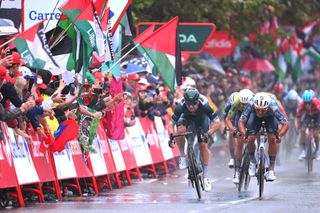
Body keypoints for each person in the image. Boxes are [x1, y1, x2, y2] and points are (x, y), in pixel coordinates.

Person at [168, 88, 220, 192]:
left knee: (203, 144)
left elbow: (217, 122)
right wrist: (171, 138)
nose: (191, 106)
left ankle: (205, 177)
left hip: (202, 120)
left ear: (198, 101)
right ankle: (183, 156)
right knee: (180, 130)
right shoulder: (181, 105)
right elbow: (171, 125)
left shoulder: (205, 104)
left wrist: (208, 134)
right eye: (188, 104)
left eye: (194, 104)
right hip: (186, 119)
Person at [239, 92, 289, 181]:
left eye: (262, 110)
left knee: (272, 139)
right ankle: (253, 161)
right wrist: (244, 134)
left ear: (267, 107)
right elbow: (241, 121)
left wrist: (280, 135)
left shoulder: (272, 107)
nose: (260, 112)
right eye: (258, 109)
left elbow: (285, 123)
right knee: (250, 138)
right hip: (254, 117)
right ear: (254, 106)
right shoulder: (251, 104)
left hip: (269, 116)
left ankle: (271, 169)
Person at [225, 89, 254, 184]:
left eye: (246, 104)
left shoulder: (254, 101)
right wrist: (234, 130)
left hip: (252, 114)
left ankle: (254, 158)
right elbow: (228, 119)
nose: (245, 106)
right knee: (240, 141)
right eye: (242, 104)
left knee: (253, 135)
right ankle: (237, 172)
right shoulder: (236, 102)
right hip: (239, 115)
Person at [294, 90, 320, 160]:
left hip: (317, 116)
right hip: (308, 115)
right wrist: (296, 128)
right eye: (306, 103)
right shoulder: (302, 104)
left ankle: (317, 150)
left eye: (309, 103)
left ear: (312, 101)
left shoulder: (316, 102)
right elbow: (297, 117)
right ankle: (303, 151)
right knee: (302, 130)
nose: (307, 105)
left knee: (316, 134)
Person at [223, 91, 239, 168]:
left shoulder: (244, 103)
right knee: (231, 134)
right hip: (232, 117)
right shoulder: (228, 105)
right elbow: (225, 118)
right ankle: (232, 157)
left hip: (242, 115)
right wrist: (226, 128)